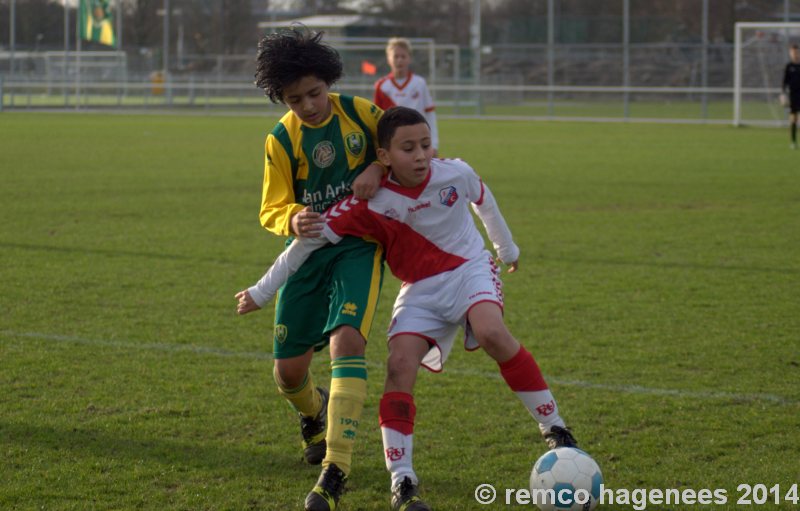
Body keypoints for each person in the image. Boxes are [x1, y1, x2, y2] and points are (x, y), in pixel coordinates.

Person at [237, 106, 578, 511]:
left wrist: (506, 248)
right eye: (408, 148)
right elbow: (306, 244)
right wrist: (261, 291)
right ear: (383, 157)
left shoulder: (455, 173)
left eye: (425, 144)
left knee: (491, 332)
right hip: (419, 291)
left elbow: (483, 200)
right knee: (398, 366)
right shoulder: (367, 204)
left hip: (469, 270)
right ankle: (403, 482)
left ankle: (555, 427)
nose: (420, 155)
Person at [250, 25, 387, 511]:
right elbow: (270, 206)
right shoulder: (280, 140)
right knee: (288, 372)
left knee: (347, 340)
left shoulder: (362, 114)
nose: (308, 105)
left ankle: (337, 466)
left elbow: (408, 149)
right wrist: (291, 215)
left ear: (328, 80)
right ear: (281, 99)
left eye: (314, 92)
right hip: (307, 253)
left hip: (357, 245)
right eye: (294, 99)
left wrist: (379, 166)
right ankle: (314, 412)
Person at [374, 38, 440, 156]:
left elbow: (430, 114)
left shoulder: (420, 83)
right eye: (396, 56)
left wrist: (434, 144)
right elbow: (377, 120)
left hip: (418, 139)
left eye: (403, 56)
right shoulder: (381, 86)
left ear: (409, 58)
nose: (399, 60)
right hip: (394, 142)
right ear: (389, 59)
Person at [782, 44, 800, 150]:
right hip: (793, 96)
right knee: (793, 119)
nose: (795, 54)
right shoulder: (789, 66)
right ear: (790, 53)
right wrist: (783, 94)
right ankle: (793, 142)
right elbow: (784, 82)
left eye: (796, 52)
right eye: (793, 52)